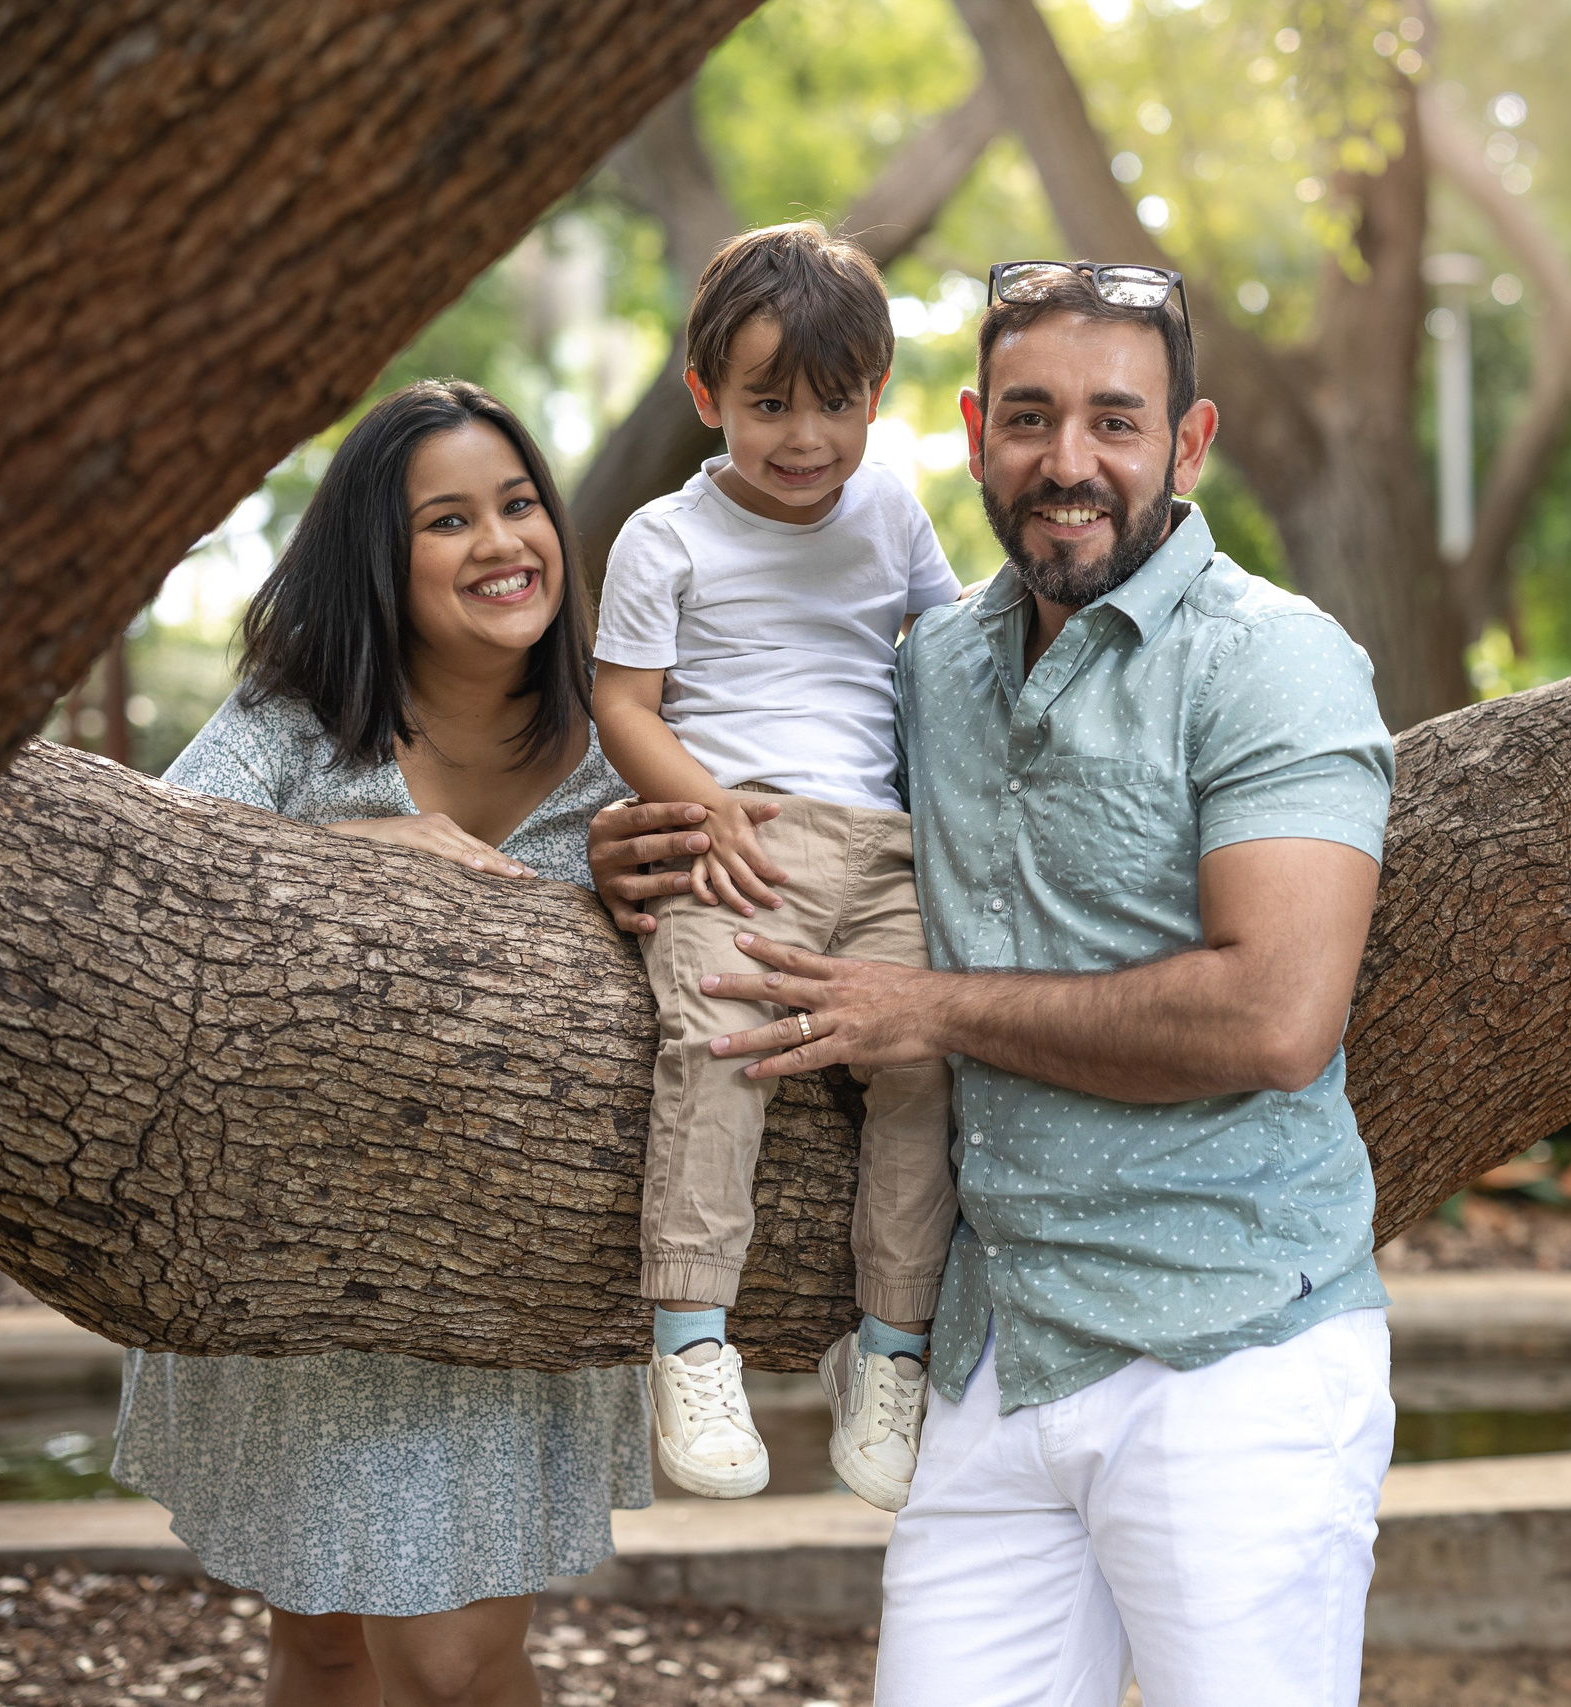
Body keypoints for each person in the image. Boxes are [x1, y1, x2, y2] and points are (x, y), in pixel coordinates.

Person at [593, 260, 1397, 1706]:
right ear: (974, 435)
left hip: (1227, 1361)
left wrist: (931, 1013)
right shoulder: (936, 668)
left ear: (1189, 443)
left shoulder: (1274, 661)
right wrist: (634, 836)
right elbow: (776, 758)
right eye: (1029, 418)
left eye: (1115, 421)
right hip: (989, 1358)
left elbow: (1277, 1020)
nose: (1067, 460)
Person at [115, 380, 652, 1707]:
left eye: (519, 505)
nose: (502, 544)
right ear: (378, 556)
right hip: (294, 1256)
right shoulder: (298, 721)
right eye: (448, 521)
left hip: (506, 1273)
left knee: (455, 1662)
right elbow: (142, 881)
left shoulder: (626, 746)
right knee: (325, 1639)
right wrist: (362, 854)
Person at [589, 222, 962, 1511]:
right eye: (769, 406)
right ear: (708, 397)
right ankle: (692, 1338)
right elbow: (623, 704)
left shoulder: (891, 513)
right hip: (737, 837)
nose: (806, 438)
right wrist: (707, 808)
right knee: (718, 1043)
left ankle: (892, 1350)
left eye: (836, 404)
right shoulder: (664, 538)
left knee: (924, 1060)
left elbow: (952, 657)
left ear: (878, 395)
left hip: (887, 849)